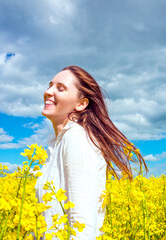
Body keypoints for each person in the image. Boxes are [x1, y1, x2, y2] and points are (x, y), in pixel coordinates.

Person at [35, 65, 147, 239]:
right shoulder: (59, 143)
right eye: (50, 85)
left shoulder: (77, 139)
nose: (48, 91)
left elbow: (83, 225)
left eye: (60, 88)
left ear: (81, 104)